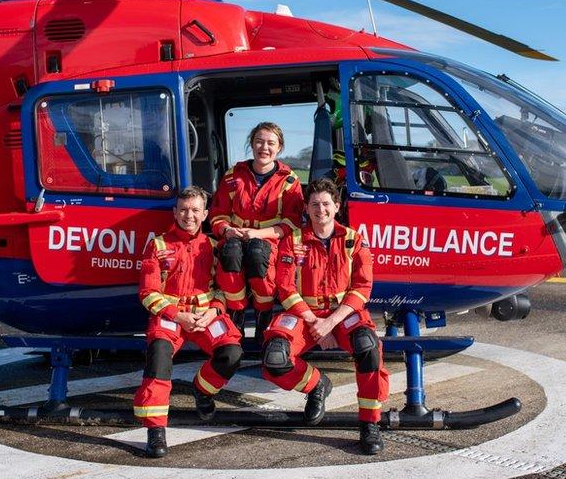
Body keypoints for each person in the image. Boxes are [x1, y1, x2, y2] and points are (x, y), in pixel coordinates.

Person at [260, 178, 389, 455]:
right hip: (305, 314)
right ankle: (317, 384)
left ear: (337, 206)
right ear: (307, 207)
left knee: (368, 348)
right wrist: (315, 322)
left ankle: (369, 424)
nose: (321, 210)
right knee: (275, 358)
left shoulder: (354, 240)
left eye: (326, 204)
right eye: (315, 204)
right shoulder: (293, 240)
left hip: (342, 315)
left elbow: (362, 287)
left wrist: (330, 323)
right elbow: (285, 288)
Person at [132, 186, 244, 458]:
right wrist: (177, 315)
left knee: (231, 353)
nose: (188, 215)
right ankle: (155, 431)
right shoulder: (158, 245)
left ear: (205, 214)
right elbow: (148, 293)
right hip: (172, 315)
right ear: (174, 212)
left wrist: (214, 310)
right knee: (158, 358)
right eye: (183, 209)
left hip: (205, 314)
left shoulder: (214, 246)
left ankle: (202, 391)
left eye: (195, 210)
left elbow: (222, 290)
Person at [209, 122, 305, 336]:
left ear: (279, 147)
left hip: (268, 240)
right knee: (231, 254)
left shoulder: (289, 181)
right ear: (251, 144)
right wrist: (227, 230)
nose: (264, 147)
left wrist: (257, 234)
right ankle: (237, 316)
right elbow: (217, 214)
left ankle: (264, 315)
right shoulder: (233, 175)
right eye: (259, 141)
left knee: (257, 254)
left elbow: (291, 223)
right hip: (234, 236)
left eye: (271, 143)